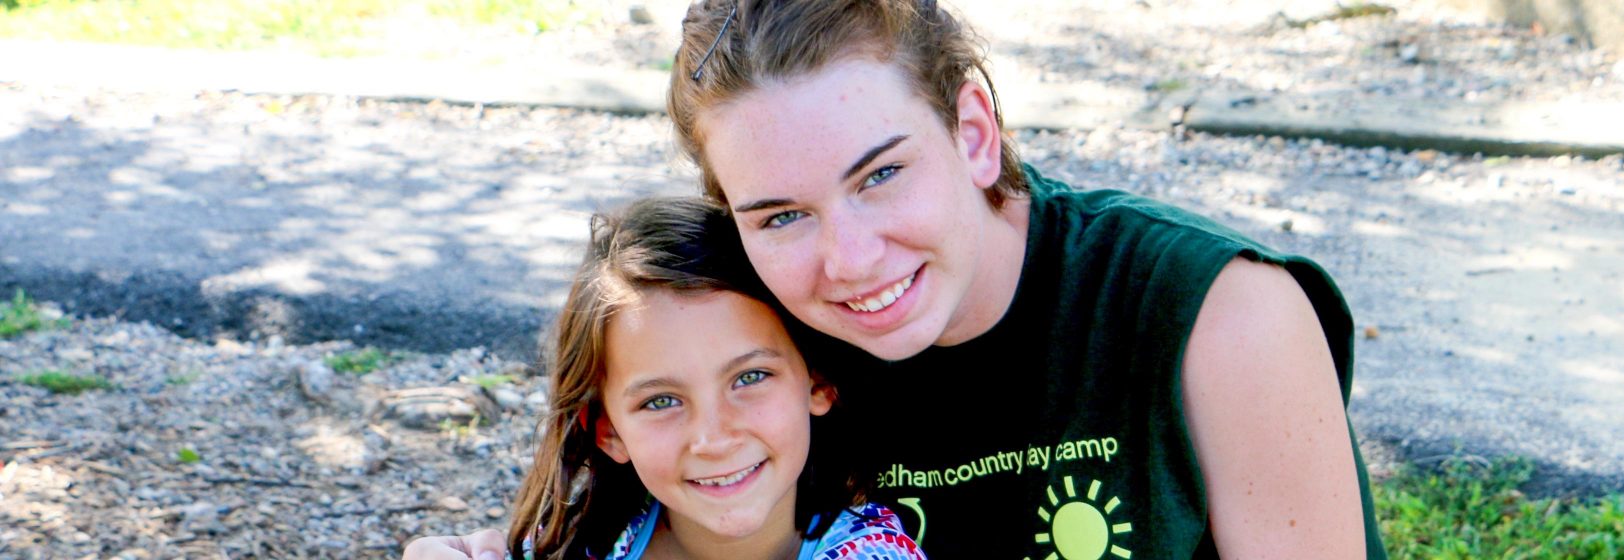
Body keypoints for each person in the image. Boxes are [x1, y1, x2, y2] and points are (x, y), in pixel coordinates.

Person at [410, 1, 1387, 558]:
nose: (852, 261)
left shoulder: (1218, 315)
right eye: (781, 213)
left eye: (880, 175)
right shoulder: (771, 335)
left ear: (972, 128)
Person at [406, 197, 925, 559]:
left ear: (817, 383)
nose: (715, 437)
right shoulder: (579, 546)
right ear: (607, 430)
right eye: (660, 402)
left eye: (750, 378)